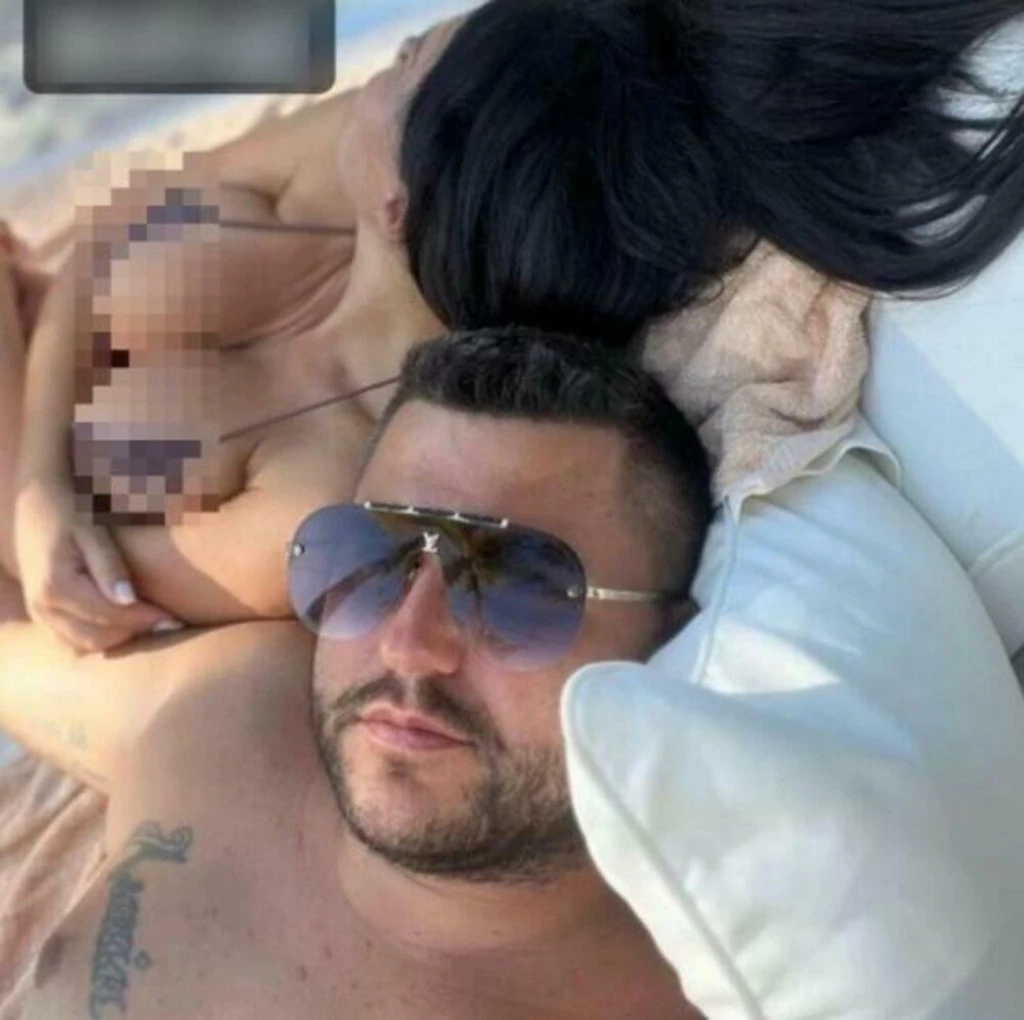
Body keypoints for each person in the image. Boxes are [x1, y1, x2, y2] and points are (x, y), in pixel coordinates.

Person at [5, 0, 1024, 660]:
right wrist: (46, 482)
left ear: (399, 206)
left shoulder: (322, 485)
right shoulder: (378, 155)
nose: (394, 60)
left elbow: (78, 594)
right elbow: (104, 236)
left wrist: (25, 489)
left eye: (404, 59)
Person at [2, 329, 712, 1018]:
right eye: (374, 556)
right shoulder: (236, 708)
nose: (407, 644)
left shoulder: (716, 986)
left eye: (518, 590)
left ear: (675, 644)